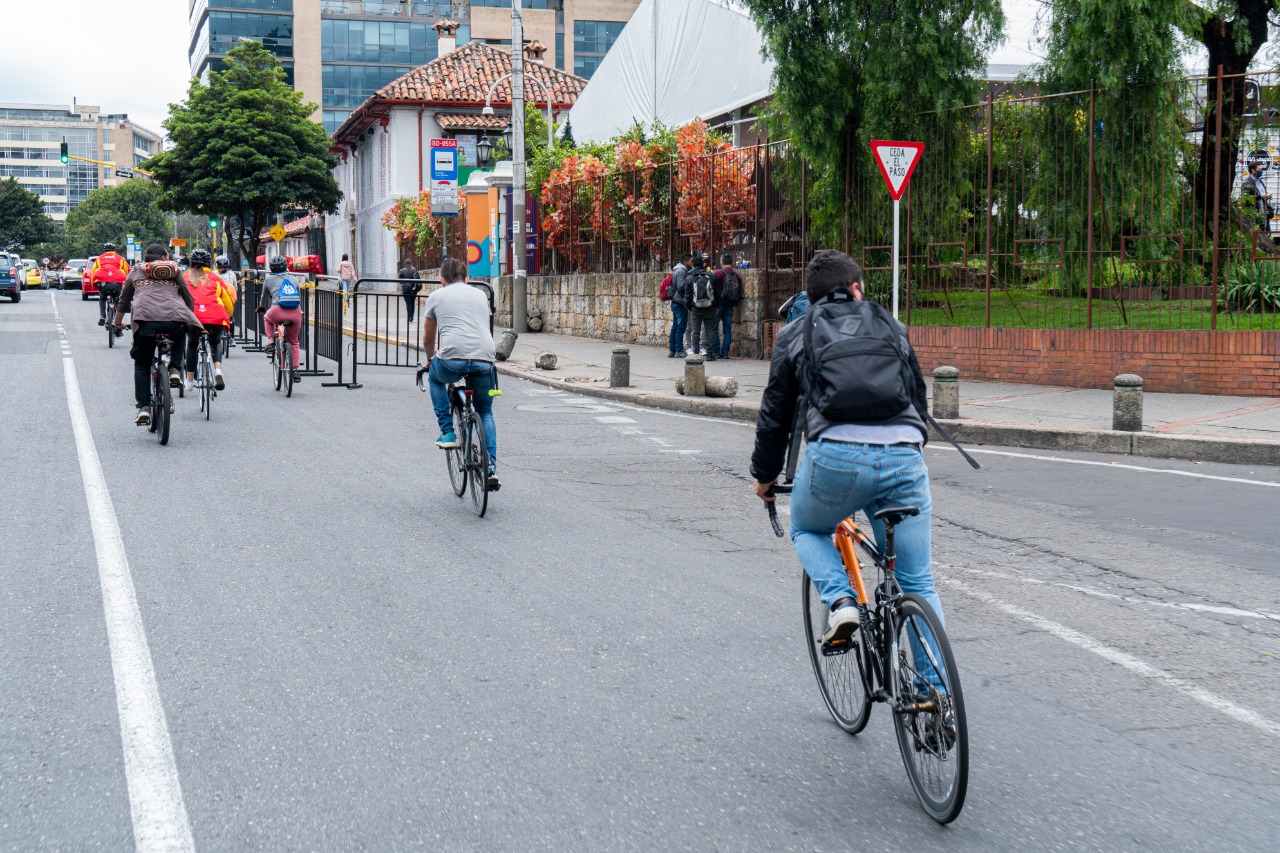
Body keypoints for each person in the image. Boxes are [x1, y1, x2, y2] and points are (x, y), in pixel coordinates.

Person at [751, 250, 936, 645]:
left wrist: (764, 478)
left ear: (810, 296)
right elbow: (917, 400)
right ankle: (935, 698)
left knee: (807, 527)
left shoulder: (795, 333)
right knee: (918, 580)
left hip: (836, 457)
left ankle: (840, 601)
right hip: (904, 455)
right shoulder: (892, 326)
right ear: (856, 289)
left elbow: (775, 415)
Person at [423, 257, 500, 491]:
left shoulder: (436, 296)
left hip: (452, 360)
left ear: (441, 280)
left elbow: (428, 338)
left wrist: (429, 360)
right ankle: (491, 467)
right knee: (485, 412)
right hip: (484, 358)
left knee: (435, 378)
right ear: (467, 278)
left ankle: (447, 432)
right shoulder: (480, 294)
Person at [112, 247, 202, 426]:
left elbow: (123, 300)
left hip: (145, 320)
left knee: (142, 364)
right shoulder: (174, 271)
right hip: (174, 318)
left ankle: (144, 408)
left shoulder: (135, 272)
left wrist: (117, 323)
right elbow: (188, 298)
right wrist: (188, 318)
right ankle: (175, 370)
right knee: (180, 332)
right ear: (165, 257)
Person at [182, 249, 235, 391]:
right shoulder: (216, 278)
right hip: (215, 317)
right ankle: (217, 369)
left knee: (192, 345)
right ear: (209, 263)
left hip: (193, 318)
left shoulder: (184, 278)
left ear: (191, 263)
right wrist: (227, 316)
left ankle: (190, 381)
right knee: (216, 342)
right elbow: (227, 301)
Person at [257, 255, 303, 383]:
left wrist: (261, 307)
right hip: (295, 312)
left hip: (277, 311)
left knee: (267, 318)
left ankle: (271, 343)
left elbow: (264, 297)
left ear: (271, 268)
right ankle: (295, 371)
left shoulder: (269, 279)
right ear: (285, 266)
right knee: (294, 342)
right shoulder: (293, 279)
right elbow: (299, 297)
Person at [685, 254, 718, 360]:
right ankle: (709, 354)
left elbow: (687, 296)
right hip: (710, 307)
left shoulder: (690, 278)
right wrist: (716, 306)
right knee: (709, 331)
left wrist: (690, 307)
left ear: (693, 265)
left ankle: (695, 353)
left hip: (695, 308)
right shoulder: (712, 276)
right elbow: (718, 293)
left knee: (695, 331)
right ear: (703, 264)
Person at [710, 253, 742, 359]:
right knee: (727, 330)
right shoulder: (736, 275)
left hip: (718, 305)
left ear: (722, 262)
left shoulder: (717, 273)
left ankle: (715, 352)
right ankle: (725, 353)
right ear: (731, 262)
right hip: (730, 305)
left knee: (714, 328)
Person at [90, 242, 130, 326]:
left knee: (102, 298)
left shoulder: (99, 259)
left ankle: (102, 316)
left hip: (103, 282)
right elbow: (127, 271)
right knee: (119, 300)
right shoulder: (120, 258)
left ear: (104, 251)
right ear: (115, 250)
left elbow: (93, 273)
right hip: (117, 282)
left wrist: (93, 285)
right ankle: (118, 320)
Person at [667, 253, 692, 358]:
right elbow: (681, 286)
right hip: (680, 302)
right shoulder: (682, 271)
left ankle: (672, 350)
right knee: (680, 327)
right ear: (685, 262)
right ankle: (679, 350)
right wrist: (690, 288)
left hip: (676, 301)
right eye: (690, 261)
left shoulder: (677, 270)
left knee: (675, 327)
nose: (692, 263)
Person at [1241, 161, 1274, 231]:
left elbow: (1262, 194)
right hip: (1255, 215)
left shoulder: (1259, 181)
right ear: (1253, 170)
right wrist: (1261, 196)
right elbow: (1246, 199)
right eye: (1259, 170)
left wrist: (1267, 196)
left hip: (1264, 213)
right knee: (1258, 236)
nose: (1261, 171)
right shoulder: (1247, 183)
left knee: (1267, 235)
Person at [399, 258, 422, 323]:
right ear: (411, 263)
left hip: (405, 289)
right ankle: (411, 317)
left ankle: (409, 317)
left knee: (408, 303)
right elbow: (418, 280)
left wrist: (404, 284)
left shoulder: (401, 271)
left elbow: (400, 280)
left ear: (405, 264)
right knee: (412, 303)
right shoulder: (414, 270)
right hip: (413, 289)